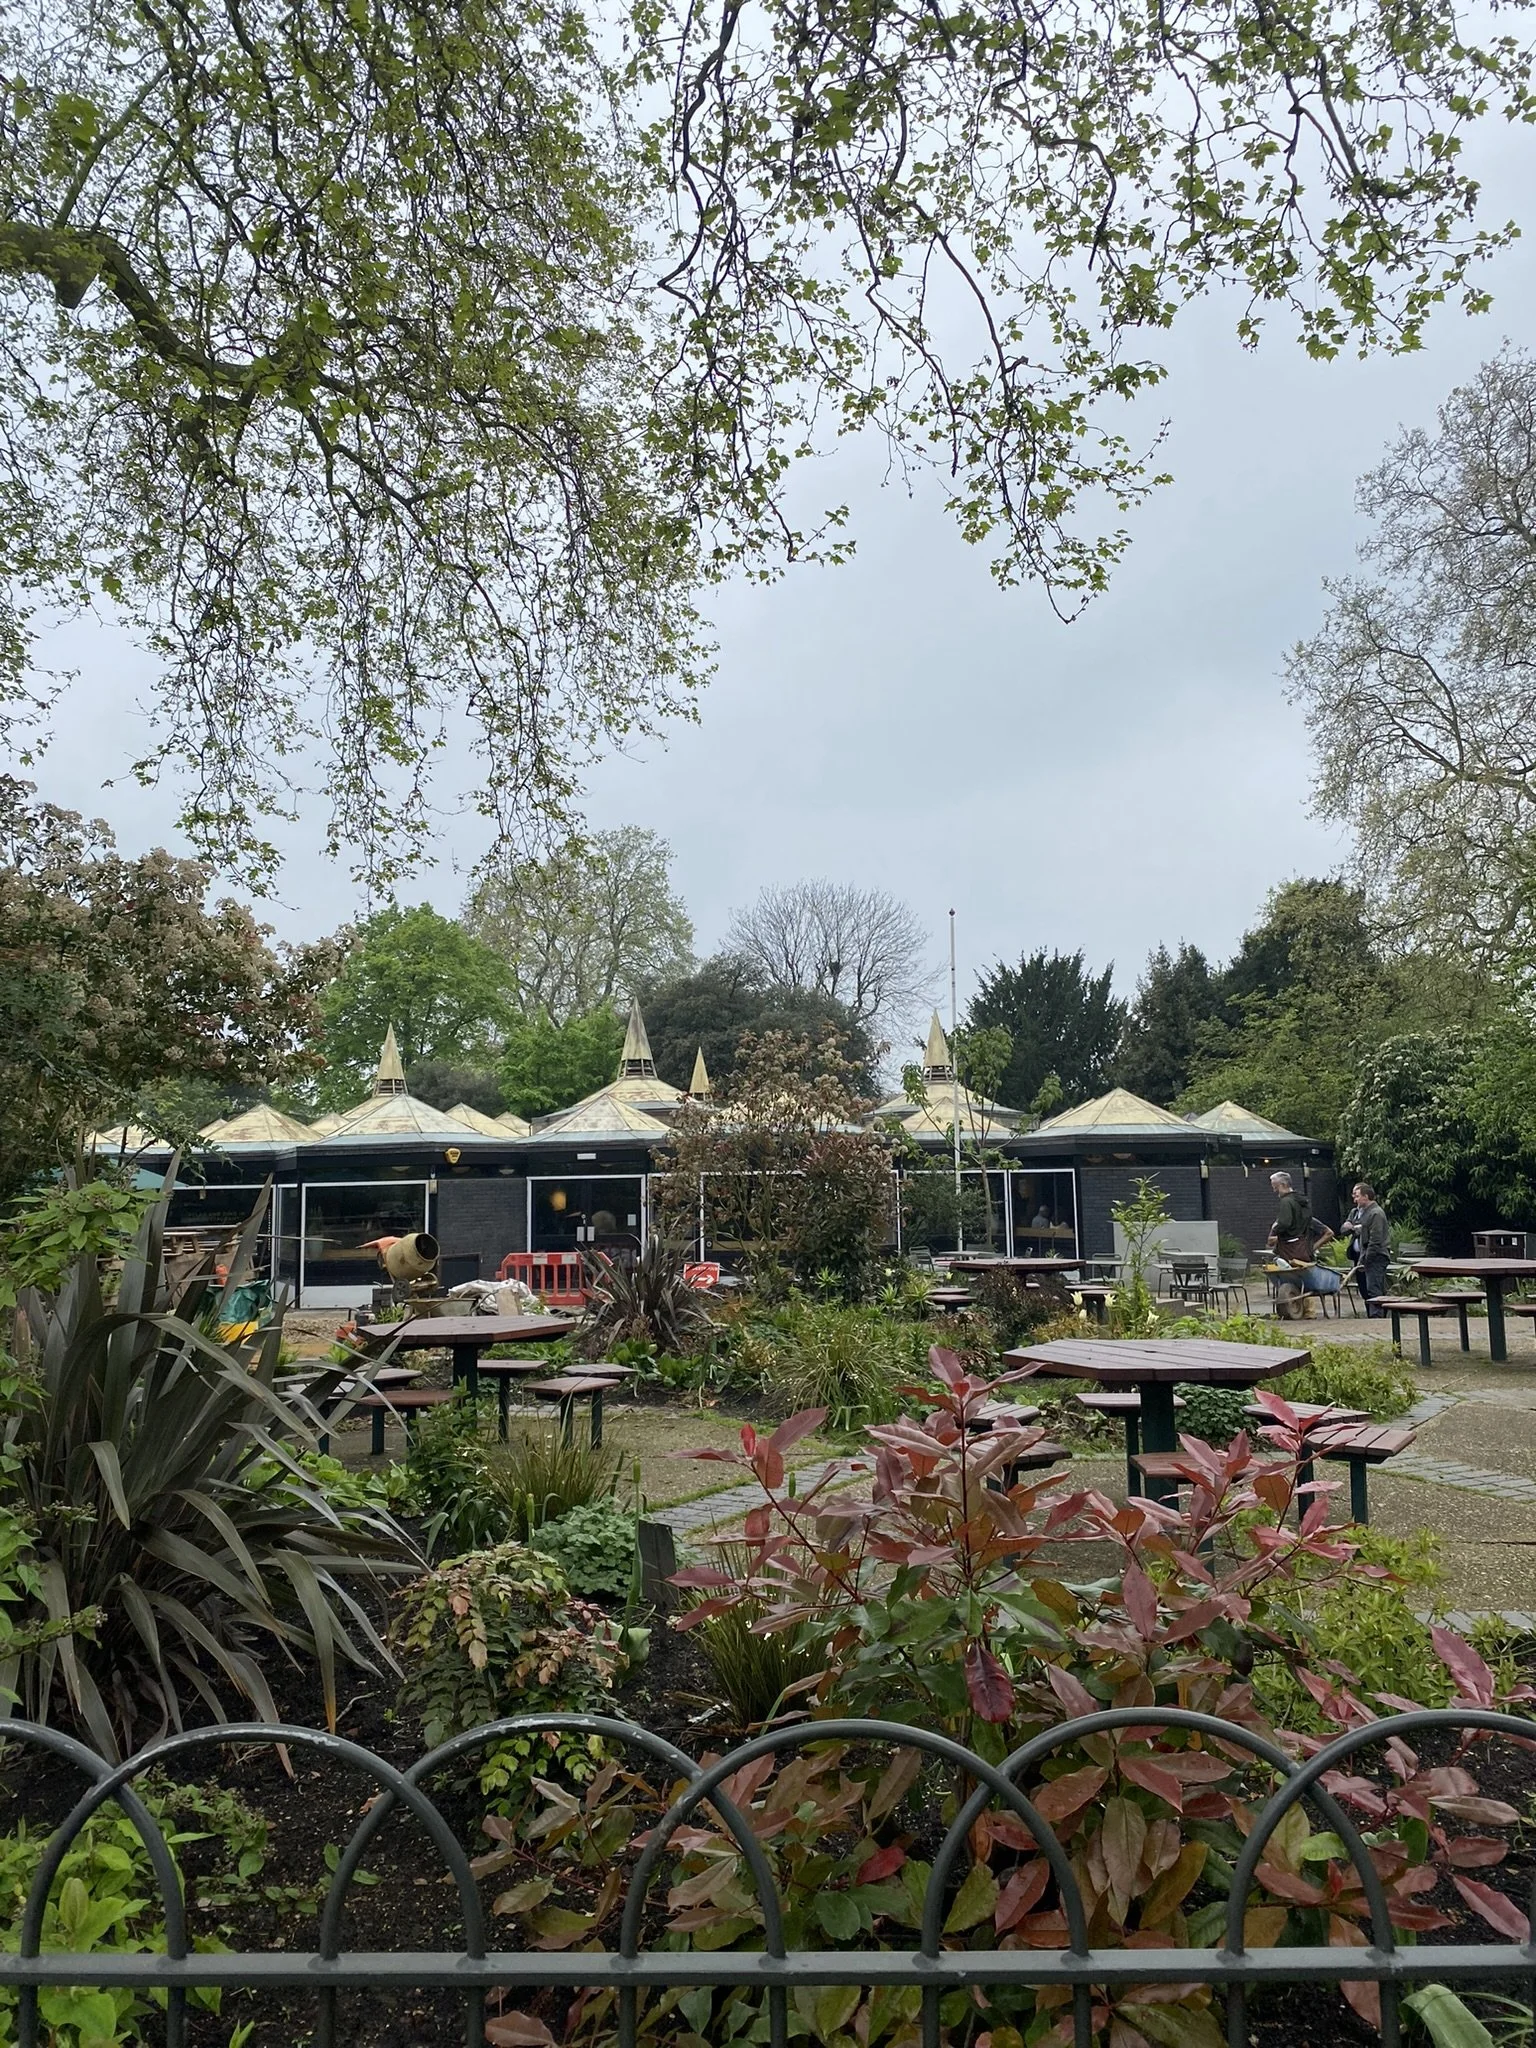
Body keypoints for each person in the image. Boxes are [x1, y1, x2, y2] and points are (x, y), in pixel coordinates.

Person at [1266, 1171, 1334, 1318]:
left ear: (1283, 1185)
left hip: (1290, 1249)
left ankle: (1305, 1311)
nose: (1274, 1190)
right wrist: (1310, 1247)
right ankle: (1308, 1312)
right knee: (1302, 1278)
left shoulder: (1286, 1202)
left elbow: (1284, 1223)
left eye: (1275, 1186)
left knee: (1293, 1277)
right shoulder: (1301, 1201)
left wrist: (1275, 1231)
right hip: (1302, 1246)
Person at [1345, 1181, 1391, 1318]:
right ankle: (1373, 1316)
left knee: (1374, 1289)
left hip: (1376, 1257)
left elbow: (1375, 1241)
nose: (1355, 1199)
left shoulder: (1376, 1213)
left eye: (1357, 1196)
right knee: (1366, 1289)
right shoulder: (1361, 1213)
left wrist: (1366, 1260)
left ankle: (1377, 1317)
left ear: (1366, 1196)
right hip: (1365, 1257)